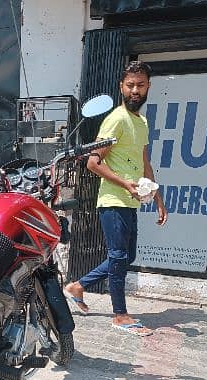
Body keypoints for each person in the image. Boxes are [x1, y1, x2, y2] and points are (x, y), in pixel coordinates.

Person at [65, 61, 168, 336]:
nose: (135, 90)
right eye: (130, 85)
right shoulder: (116, 119)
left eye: (141, 85)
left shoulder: (141, 121)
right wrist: (124, 183)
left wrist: (158, 197)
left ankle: (79, 285)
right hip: (113, 199)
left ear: (148, 87)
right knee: (119, 255)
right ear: (121, 87)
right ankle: (120, 315)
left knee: (127, 255)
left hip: (131, 200)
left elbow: (144, 161)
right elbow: (93, 162)